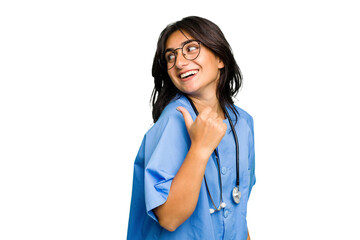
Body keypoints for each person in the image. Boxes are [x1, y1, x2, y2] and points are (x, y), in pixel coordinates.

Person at [127, 16, 256, 240]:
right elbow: (169, 218)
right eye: (171, 56)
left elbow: (237, 207)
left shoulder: (242, 123)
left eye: (191, 49)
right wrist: (200, 148)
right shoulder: (173, 121)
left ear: (220, 58)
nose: (178, 62)